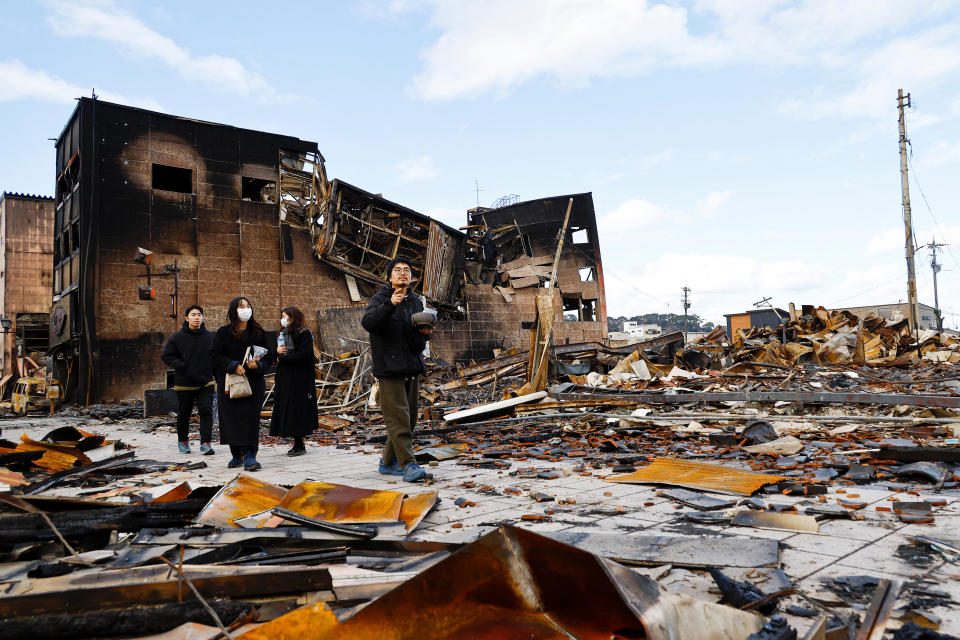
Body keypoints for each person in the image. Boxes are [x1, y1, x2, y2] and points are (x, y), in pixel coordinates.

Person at [361, 258, 434, 483]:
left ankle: (387, 462)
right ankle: (409, 465)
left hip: (411, 365)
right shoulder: (381, 298)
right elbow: (369, 323)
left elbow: (419, 340)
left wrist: (425, 332)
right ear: (390, 276)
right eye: (397, 270)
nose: (403, 274)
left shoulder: (415, 302)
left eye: (407, 270)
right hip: (389, 369)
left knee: (408, 420)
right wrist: (390, 305)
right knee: (399, 419)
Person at [210, 297, 274, 471]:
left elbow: (268, 357)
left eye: (248, 306)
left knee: (250, 418)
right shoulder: (223, 333)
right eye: (241, 306)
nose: (245, 309)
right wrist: (232, 365)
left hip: (253, 381)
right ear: (233, 310)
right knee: (231, 417)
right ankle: (236, 454)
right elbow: (214, 356)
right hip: (230, 381)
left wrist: (258, 365)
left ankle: (250, 455)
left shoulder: (258, 332)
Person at [160, 305, 215, 455]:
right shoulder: (177, 337)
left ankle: (206, 443)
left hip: (206, 382)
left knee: (206, 411)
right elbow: (167, 356)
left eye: (199, 314)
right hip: (184, 383)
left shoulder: (210, 337)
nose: (197, 317)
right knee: (184, 413)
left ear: (203, 318)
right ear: (187, 318)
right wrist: (182, 365)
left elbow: (217, 356)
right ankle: (183, 442)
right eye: (193, 315)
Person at [269, 306, 318, 456]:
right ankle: (293, 438)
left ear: (294, 317)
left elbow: (305, 354)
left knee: (298, 408)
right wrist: (277, 354)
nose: (284, 319)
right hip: (285, 377)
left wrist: (283, 358)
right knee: (287, 408)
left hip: (300, 378)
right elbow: (275, 353)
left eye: (286, 316)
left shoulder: (304, 333)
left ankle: (299, 443)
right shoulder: (283, 334)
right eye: (282, 316)